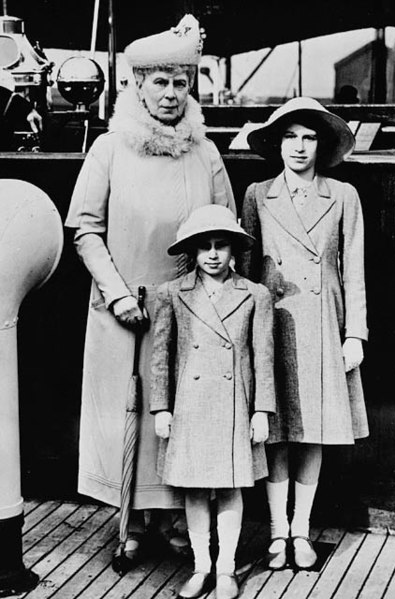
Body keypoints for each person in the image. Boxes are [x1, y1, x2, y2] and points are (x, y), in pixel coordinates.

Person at [64, 15, 235, 569]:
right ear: (136, 86)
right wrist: (117, 294)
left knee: (181, 416)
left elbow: (225, 225)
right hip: (123, 311)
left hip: (188, 311)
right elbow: (86, 229)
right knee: (127, 414)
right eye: (158, 82)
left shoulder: (205, 153)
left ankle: (175, 519)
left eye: (180, 82)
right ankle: (131, 524)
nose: (169, 93)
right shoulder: (110, 149)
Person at [236, 97, 369, 570]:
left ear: (322, 144)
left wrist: (355, 333)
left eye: (309, 137)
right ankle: (276, 533)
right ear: (276, 143)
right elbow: (247, 274)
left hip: (320, 323)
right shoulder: (256, 194)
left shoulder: (343, 196)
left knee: (312, 428)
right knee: (273, 429)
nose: (299, 146)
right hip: (273, 323)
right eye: (290, 136)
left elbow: (352, 269)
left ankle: (301, 531)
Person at [150, 205, 275, 599]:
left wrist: (261, 410)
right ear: (193, 252)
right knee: (195, 490)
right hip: (190, 405)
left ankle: (226, 570)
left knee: (231, 487)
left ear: (234, 250)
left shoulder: (256, 295)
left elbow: (264, 357)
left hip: (235, 405)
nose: (214, 254)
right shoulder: (173, 293)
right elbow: (161, 354)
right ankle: (201, 565)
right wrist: (162, 407)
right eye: (205, 247)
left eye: (222, 246)